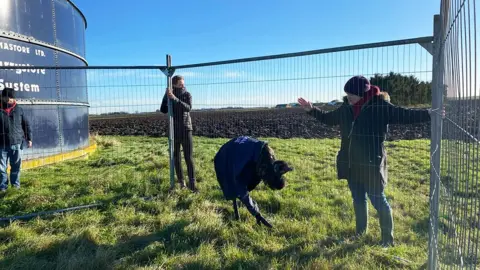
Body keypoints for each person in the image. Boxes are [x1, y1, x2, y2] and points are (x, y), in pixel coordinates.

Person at [298, 75, 438, 247]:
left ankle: (387, 240)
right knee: (358, 199)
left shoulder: (379, 106)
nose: (348, 97)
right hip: (350, 163)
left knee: (378, 200)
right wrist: (312, 109)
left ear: (362, 94)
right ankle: (360, 233)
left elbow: (404, 114)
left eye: (352, 94)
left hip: (371, 163)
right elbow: (329, 120)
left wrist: (429, 114)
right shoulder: (346, 108)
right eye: (347, 93)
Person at [213, 136, 294, 228]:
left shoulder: (267, 155)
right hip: (225, 156)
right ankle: (236, 212)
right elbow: (242, 191)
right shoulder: (249, 167)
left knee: (244, 184)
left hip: (241, 148)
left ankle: (236, 210)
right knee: (235, 186)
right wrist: (257, 214)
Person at [160, 75, 197, 192]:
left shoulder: (187, 94)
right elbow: (163, 110)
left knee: (188, 157)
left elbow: (188, 108)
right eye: (180, 84)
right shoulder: (169, 94)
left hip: (186, 129)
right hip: (173, 130)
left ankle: (192, 184)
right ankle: (181, 182)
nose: (183, 86)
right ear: (174, 85)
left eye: (183, 84)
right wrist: (166, 97)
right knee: (176, 157)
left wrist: (175, 98)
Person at [0, 87, 32, 191]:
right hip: (1, 144)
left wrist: (29, 138)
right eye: (8, 97)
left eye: (12, 97)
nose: (10, 100)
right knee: (1, 168)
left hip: (16, 142)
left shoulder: (19, 109)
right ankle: (2, 187)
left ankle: (15, 187)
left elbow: (26, 124)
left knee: (16, 166)